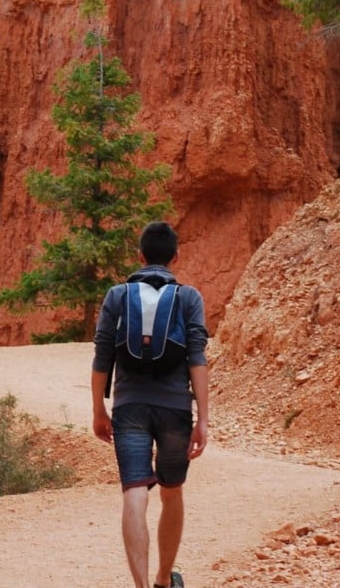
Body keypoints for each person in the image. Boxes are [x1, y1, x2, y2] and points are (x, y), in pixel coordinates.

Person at [91, 221, 209, 588]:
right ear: (175, 257)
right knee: (171, 491)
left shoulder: (117, 296)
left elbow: (102, 356)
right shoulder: (189, 298)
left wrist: (98, 408)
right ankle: (163, 580)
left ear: (139, 256)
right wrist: (203, 418)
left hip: (130, 408)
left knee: (134, 491)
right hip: (175, 410)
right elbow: (197, 358)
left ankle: (141, 585)